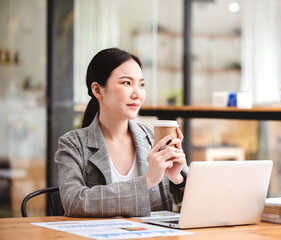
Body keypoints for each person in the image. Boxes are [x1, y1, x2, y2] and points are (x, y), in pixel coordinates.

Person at [55, 48, 188, 217]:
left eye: (141, 85)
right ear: (97, 90)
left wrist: (178, 179)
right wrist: (147, 181)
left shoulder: (156, 138)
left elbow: (201, 199)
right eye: (127, 83)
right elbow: (74, 201)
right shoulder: (73, 143)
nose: (138, 94)